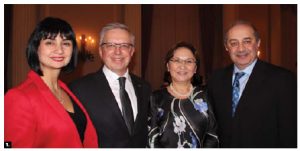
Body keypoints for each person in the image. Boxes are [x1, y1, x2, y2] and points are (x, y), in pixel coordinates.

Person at [4, 17, 98, 148]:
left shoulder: (68, 91)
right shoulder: (19, 97)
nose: (59, 50)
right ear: (36, 48)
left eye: (66, 43)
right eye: (50, 42)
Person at [207, 20, 297, 147]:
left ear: (258, 43)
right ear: (226, 47)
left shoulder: (282, 79)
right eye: (234, 43)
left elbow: (290, 132)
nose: (241, 48)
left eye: (247, 41)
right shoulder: (216, 79)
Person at [69, 22, 152, 148]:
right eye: (111, 45)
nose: (118, 51)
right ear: (101, 51)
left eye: (124, 45)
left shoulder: (145, 87)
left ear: (132, 51)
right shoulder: (79, 89)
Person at [148, 41, 219, 148]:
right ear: (168, 66)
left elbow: (213, 135)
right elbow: (152, 138)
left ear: (195, 68)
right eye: (177, 60)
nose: (183, 66)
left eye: (189, 61)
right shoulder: (155, 98)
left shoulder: (206, 95)